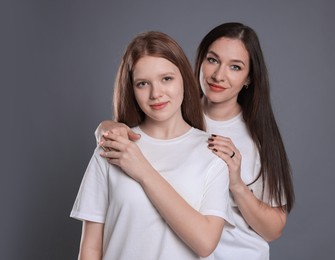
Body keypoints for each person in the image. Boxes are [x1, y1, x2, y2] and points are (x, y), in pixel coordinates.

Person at [96, 22, 295, 260]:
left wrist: (237, 184)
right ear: (198, 61)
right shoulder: (169, 110)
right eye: (212, 60)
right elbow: (133, 135)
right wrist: (106, 128)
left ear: (249, 78)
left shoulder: (257, 137)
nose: (219, 75)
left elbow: (274, 229)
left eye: (235, 67)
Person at [71, 31, 234, 260]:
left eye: (166, 79)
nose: (156, 93)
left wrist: (143, 171)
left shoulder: (212, 153)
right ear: (132, 89)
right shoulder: (112, 147)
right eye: (143, 83)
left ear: (184, 79)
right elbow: (90, 249)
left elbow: (205, 243)